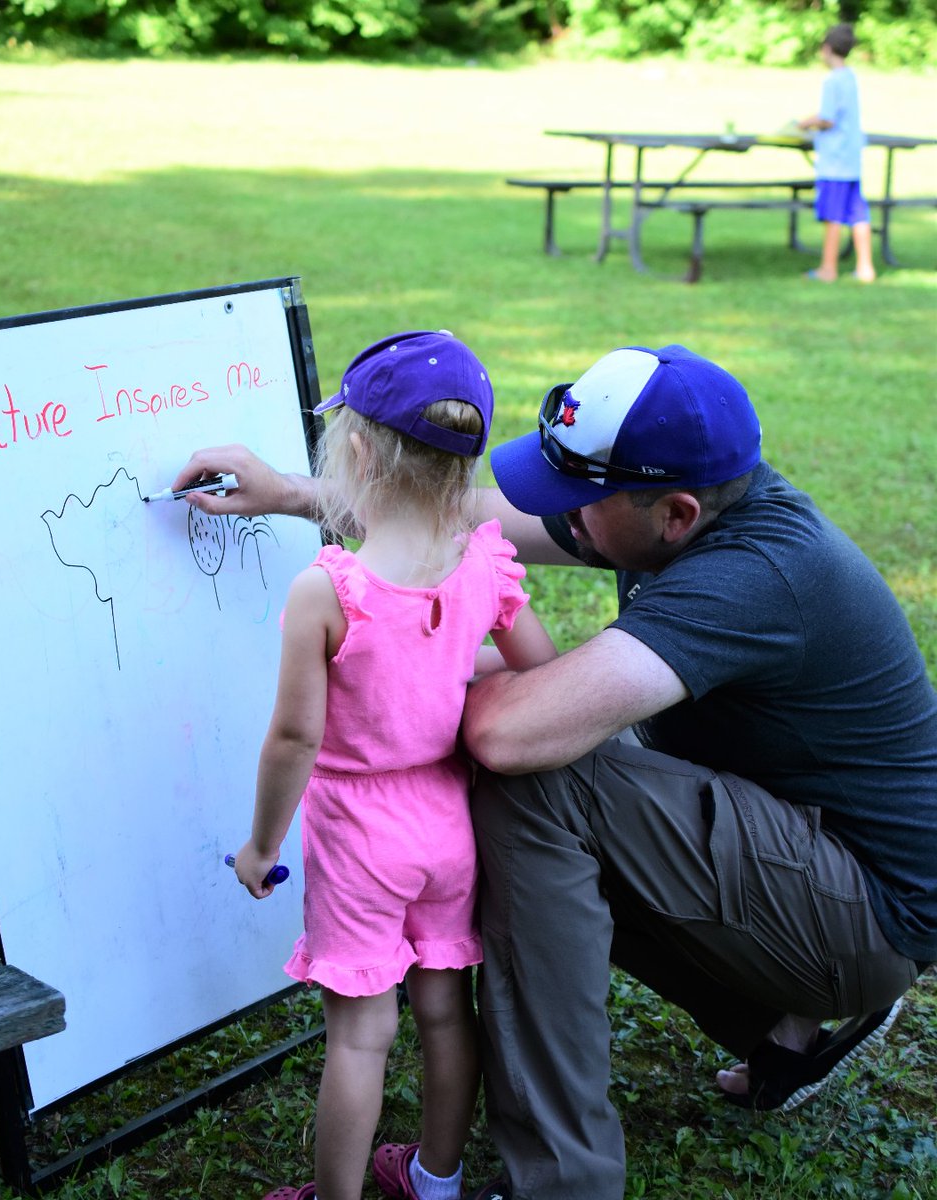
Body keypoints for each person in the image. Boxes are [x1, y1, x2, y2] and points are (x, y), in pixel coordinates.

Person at [176, 342, 936, 1200]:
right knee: (572, 761)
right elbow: (462, 518)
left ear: (676, 515)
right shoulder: (683, 504)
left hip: (861, 913)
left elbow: (507, 734)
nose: (558, 517)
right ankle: (780, 1029)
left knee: (541, 779)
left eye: (578, 499)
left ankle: (564, 1182)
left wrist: (389, 688)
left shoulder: (754, 576)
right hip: (811, 857)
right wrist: (294, 493)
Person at [229, 330, 556, 1200]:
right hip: (449, 824)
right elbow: (536, 662)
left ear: (360, 450)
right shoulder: (485, 560)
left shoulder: (330, 591)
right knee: (447, 1009)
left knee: (361, 1035)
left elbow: (295, 740)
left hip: (359, 834)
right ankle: (434, 1179)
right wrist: (447, 667)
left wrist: (261, 849)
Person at [797, 22, 876, 282]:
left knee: (833, 215)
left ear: (827, 48)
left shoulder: (832, 80)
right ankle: (865, 268)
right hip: (852, 158)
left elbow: (828, 119)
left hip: (835, 161)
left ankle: (828, 268)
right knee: (858, 213)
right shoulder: (851, 77)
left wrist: (806, 122)